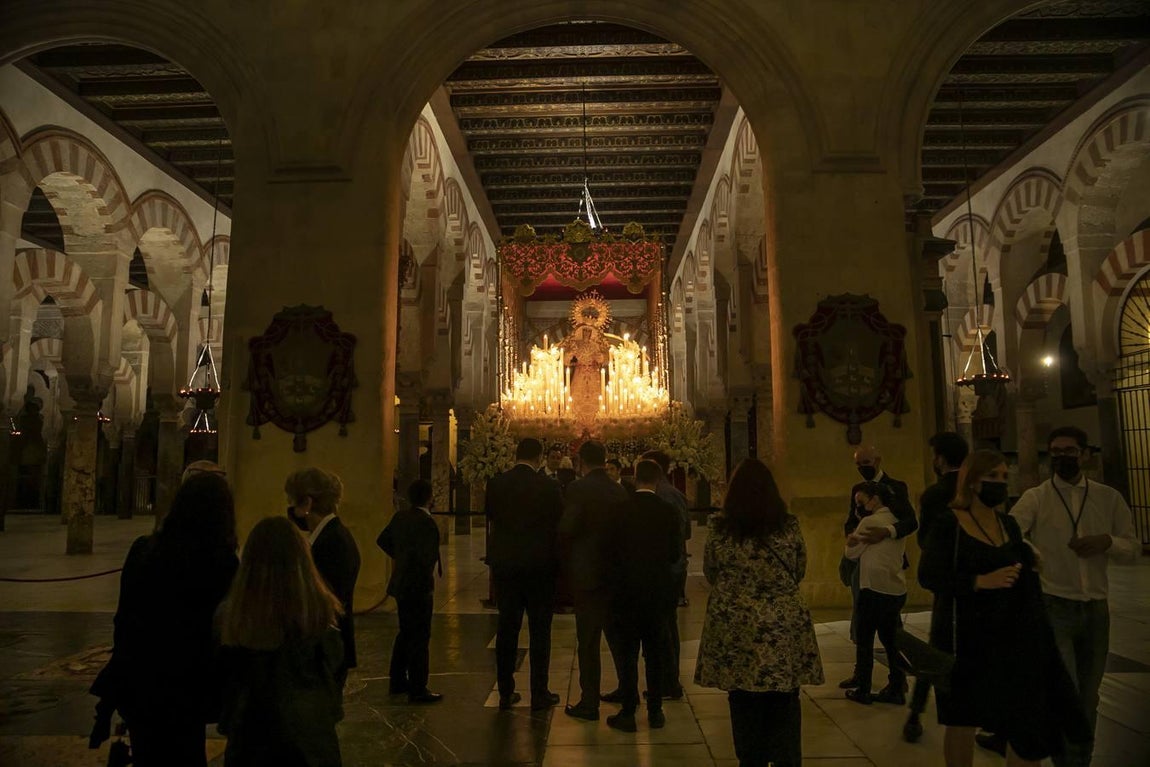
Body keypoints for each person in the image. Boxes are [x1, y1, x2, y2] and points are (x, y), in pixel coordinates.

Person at [919, 449, 1088, 767]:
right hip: (965, 637)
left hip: (1009, 635)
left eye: (1003, 477)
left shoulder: (1008, 525)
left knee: (1023, 719)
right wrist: (978, 582)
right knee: (963, 720)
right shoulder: (948, 524)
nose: (999, 482)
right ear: (971, 482)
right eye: (991, 477)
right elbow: (928, 575)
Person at [1010, 426, 1139, 767]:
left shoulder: (1107, 498)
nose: (1062, 457)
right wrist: (1034, 554)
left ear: (1084, 454)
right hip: (1055, 604)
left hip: (1096, 608)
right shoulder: (1036, 498)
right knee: (1063, 690)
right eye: (1055, 451)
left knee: (1088, 695)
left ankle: (1080, 759)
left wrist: (1107, 542)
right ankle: (1064, 759)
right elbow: (1011, 536)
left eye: (1069, 451)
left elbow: (1133, 547)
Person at [89, 473, 238, 767]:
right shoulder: (222, 561)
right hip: (189, 682)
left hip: (141, 677)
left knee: (148, 753)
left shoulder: (144, 550)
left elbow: (125, 620)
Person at [695, 458, 823, 767]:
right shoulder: (788, 526)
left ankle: (750, 758)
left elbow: (711, 571)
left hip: (736, 626)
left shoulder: (721, 529)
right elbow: (798, 569)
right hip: (781, 626)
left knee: (743, 699)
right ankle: (786, 758)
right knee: (784, 700)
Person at [217, 516, 345, 767]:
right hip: (310, 739)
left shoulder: (232, 617)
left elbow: (224, 681)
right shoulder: (319, 613)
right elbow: (335, 674)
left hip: (250, 737)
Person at [604, 459, 683, 732]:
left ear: (636, 478)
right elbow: (675, 553)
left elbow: (610, 551)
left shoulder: (619, 510)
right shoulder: (668, 511)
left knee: (627, 653)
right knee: (654, 652)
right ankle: (655, 710)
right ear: (658, 479)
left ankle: (628, 711)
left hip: (626, 592)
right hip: (657, 593)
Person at [485, 437, 564, 711]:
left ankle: (505, 691)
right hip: (540, 567)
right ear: (539, 457)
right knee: (540, 631)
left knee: (507, 628)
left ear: (516, 454)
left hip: (506, 566)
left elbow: (491, 516)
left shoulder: (496, 484)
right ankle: (539, 693)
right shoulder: (549, 487)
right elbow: (557, 521)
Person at [904, 431, 969, 742]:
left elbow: (923, 539)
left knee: (936, 648)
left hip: (947, 584)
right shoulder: (977, 489)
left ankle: (917, 712)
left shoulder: (934, 495)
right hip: (980, 584)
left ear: (940, 458)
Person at [560, 439, 629, 721]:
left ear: (581, 462)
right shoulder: (619, 491)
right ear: (605, 459)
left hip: (587, 573)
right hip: (615, 574)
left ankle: (589, 702)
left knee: (588, 640)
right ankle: (626, 689)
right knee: (618, 638)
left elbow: (567, 528)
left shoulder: (578, 489)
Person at [840, 444, 917, 671]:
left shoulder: (896, 488)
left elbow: (910, 522)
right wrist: (852, 535)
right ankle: (860, 673)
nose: (862, 468)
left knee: (890, 627)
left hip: (888, 565)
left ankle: (898, 676)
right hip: (862, 565)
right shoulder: (858, 488)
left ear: (877, 461)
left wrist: (886, 532)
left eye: (866, 464)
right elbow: (851, 520)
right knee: (861, 622)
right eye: (858, 465)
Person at [285, 468, 361, 691]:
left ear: (307, 504)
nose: (290, 509)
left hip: (325, 652)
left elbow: (323, 602)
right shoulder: (331, 535)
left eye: (292, 502)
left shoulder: (332, 542)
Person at [377, 478, 443, 703]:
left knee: (405, 632)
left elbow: (383, 540)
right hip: (418, 586)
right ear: (429, 497)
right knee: (420, 636)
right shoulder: (426, 523)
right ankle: (418, 687)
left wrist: (401, 557)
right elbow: (427, 558)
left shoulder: (401, 517)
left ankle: (397, 680)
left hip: (401, 583)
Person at [843, 481, 907, 705]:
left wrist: (852, 539)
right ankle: (897, 686)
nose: (859, 507)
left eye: (861, 502)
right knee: (891, 640)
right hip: (895, 587)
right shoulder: (896, 521)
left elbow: (851, 553)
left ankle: (864, 688)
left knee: (865, 639)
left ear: (875, 499)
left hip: (872, 588)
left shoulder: (870, 522)